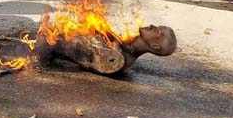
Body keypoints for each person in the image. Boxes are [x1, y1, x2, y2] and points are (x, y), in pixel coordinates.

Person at [35, 25, 177, 74]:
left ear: (155, 46)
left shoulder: (117, 59)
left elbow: (83, 56)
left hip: (49, 44)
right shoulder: (126, 45)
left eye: (157, 31)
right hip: (57, 40)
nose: (153, 26)